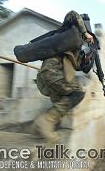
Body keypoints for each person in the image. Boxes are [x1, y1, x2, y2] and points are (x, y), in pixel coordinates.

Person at [32, 10, 94, 143]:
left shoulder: (75, 47)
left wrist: (87, 59)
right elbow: (72, 14)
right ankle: (46, 121)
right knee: (78, 93)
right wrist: (85, 32)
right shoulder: (66, 31)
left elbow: (77, 66)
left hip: (52, 74)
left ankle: (38, 129)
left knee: (63, 101)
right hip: (52, 71)